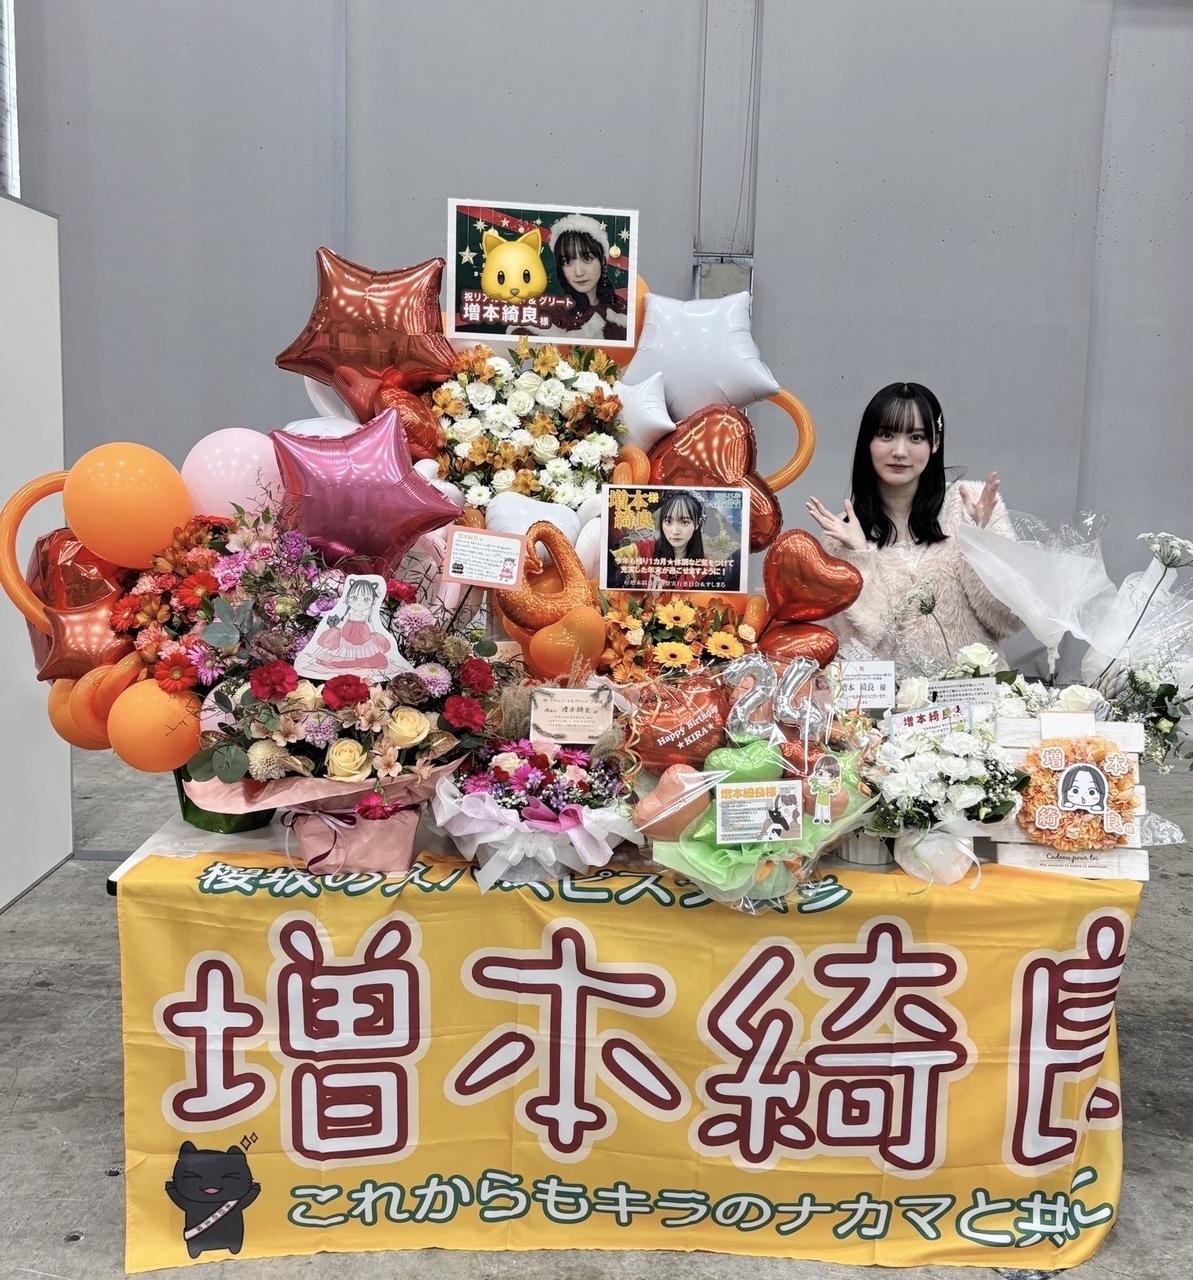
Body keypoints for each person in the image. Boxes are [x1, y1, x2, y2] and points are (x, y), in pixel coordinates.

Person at [805, 382, 1020, 672]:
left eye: (916, 437)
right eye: (886, 435)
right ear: (868, 442)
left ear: (935, 442)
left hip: (972, 696)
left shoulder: (971, 505)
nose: (900, 451)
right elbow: (857, 651)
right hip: (890, 700)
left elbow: (1009, 620)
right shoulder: (840, 534)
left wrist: (980, 542)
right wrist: (859, 555)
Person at [608, 490, 741, 592]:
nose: (675, 531)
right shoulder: (642, 551)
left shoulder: (704, 568)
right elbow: (611, 566)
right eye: (668, 521)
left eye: (684, 522)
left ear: (697, 524)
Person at [536, 214, 628, 342]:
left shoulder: (620, 309)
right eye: (567, 262)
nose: (578, 272)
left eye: (587, 259)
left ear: (602, 260)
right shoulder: (553, 314)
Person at [313, 577, 394, 672]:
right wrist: (333, 632)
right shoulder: (348, 614)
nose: (359, 603)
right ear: (348, 598)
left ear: (373, 601)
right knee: (342, 653)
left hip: (364, 640)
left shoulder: (366, 617)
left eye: (366, 599)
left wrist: (377, 639)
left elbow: (372, 630)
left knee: (367, 654)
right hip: (346, 638)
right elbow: (340, 624)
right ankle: (348, 660)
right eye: (355, 598)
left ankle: (359, 660)